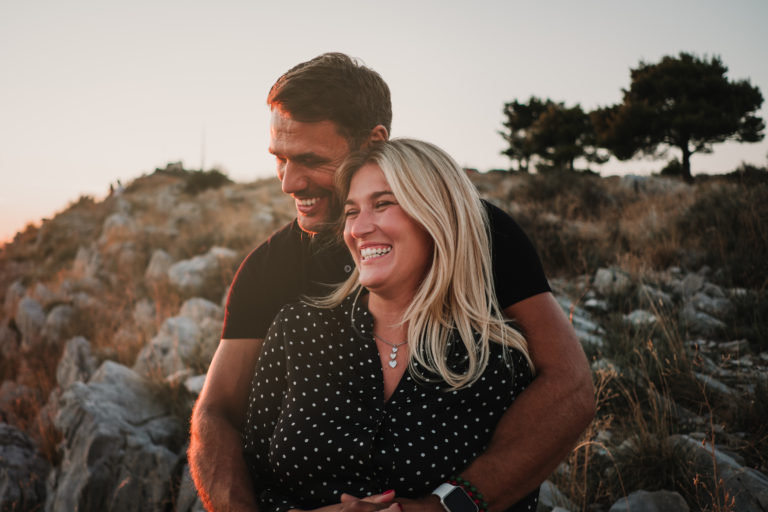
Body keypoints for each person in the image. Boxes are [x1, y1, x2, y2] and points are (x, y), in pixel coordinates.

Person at [189, 53, 595, 512]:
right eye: (279, 159)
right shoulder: (270, 271)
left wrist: (445, 506)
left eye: (308, 159)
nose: (288, 181)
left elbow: (570, 384)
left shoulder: (479, 237)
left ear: (372, 140)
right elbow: (217, 412)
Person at [243, 138, 540, 512]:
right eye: (352, 211)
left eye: (382, 204)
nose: (359, 228)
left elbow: (516, 497)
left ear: (438, 215)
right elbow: (252, 476)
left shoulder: (498, 359)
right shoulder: (297, 330)